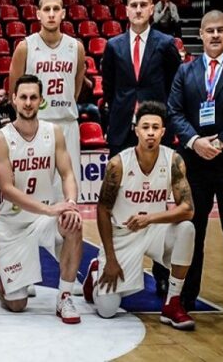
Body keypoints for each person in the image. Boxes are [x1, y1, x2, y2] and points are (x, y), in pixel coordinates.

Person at [83, 101, 196, 329]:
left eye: (155, 127)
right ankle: (96, 272)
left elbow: (188, 209)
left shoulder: (173, 161)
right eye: (145, 127)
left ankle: (172, 302)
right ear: (136, 130)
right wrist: (111, 259)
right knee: (107, 309)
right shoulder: (118, 164)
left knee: (186, 228)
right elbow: (103, 210)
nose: (150, 132)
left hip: (154, 230)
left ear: (163, 131)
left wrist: (150, 219)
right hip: (123, 234)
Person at [0, 74, 83, 324]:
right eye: (23, 97)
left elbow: (67, 174)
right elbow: (8, 189)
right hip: (13, 226)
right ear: (14, 99)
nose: (28, 103)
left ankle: (64, 297)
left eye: (33, 97)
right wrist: (48, 209)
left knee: (73, 222)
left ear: (41, 100)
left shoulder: (54, 132)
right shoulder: (0, 139)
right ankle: (0, 273)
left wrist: (70, 203)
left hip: (43, 220)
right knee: (17, 305)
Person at [168, 9, 223, 312]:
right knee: (192, 231)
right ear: (201, 35)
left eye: (220, 30)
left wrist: (218, 142)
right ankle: (186, 298)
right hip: (195, 162)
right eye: (210, 30)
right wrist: (195, 141)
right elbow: (174, 111)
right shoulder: (186, 71)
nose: (215, 35)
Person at [9, 0, 86, 204]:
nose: (51, 14)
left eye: (56, 9)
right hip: (36, 125)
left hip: (67, 124)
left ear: (63, 14)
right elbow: (14, 91)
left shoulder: (76, 47)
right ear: (38, 14)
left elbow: (75, 88)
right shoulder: (25, 47)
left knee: (68, 194)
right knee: (34, 193)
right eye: (46, 9)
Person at [102, 0, 181, 158]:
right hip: (122, 127)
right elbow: (108, 86)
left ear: (151, 9)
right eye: (134, 5)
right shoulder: (113, 45)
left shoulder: (166, 43)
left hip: (156, 128)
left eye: (143, 5)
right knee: (120, 175)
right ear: (127, 10)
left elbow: (175, 85)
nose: (138, 10)